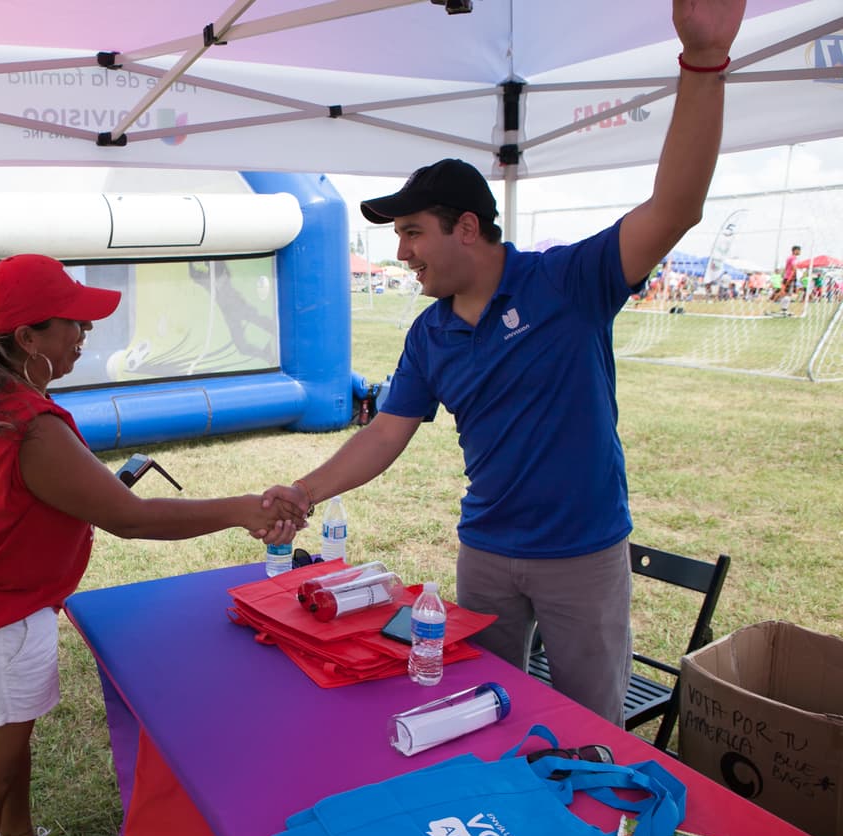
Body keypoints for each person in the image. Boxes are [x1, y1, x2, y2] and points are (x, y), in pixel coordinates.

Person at [262, 0, 745, 725]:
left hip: (582, 555)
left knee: (591, 732)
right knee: (481, 715)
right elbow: (385, 433)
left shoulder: (568, 282)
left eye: (413, 233)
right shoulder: (429, 333)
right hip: (485, 553)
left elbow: (674, 210)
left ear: (466, 227)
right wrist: (301, 489)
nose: (402, 255)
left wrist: (703, 62)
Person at [0, 254, 299, 836]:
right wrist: (244, 508)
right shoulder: (31, 426)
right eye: (72, 323)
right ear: (26, 338)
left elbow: (30, 499)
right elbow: (132, 518)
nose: (85, 334)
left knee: (8, 751)